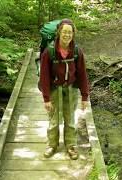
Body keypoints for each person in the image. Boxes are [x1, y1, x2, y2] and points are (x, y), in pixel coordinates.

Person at [39, 19, 89, 160]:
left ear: (73, 34)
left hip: (71, 89)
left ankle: (71, 146)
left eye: (70, 32)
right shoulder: (49, 52)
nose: (67, 35)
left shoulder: (77, 51)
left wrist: (85, 96)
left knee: (70, 119)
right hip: (54, 89)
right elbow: (44, 76)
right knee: (54, 119)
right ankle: (52, 145)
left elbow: (82, 75)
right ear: (59, 32)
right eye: (64, 31)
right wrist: (46, 98)